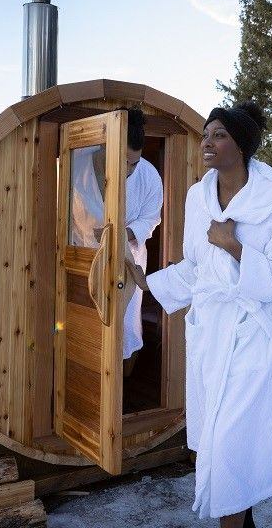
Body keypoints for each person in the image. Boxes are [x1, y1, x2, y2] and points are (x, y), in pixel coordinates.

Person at [127, 102, 272, 528]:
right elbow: (196, 268)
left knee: (228, 443)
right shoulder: (197, 197)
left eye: (218, 134)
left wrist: (235, 247)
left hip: (252, 339)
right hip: (211, 332)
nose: (206, 141)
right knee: (221, 444)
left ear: (240, 145)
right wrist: (148, 282)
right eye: (206, 134)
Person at [68, 107, 163, 371]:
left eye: (135, 162)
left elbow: (151, 218)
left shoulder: (149, 176)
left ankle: (122, 392)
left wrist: (123, 234)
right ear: (106, 146)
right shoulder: (76, 163)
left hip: (126, 262)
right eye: (124, 161)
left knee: (127, 328)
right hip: (84, 260)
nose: (130, 170)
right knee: (85, 327)